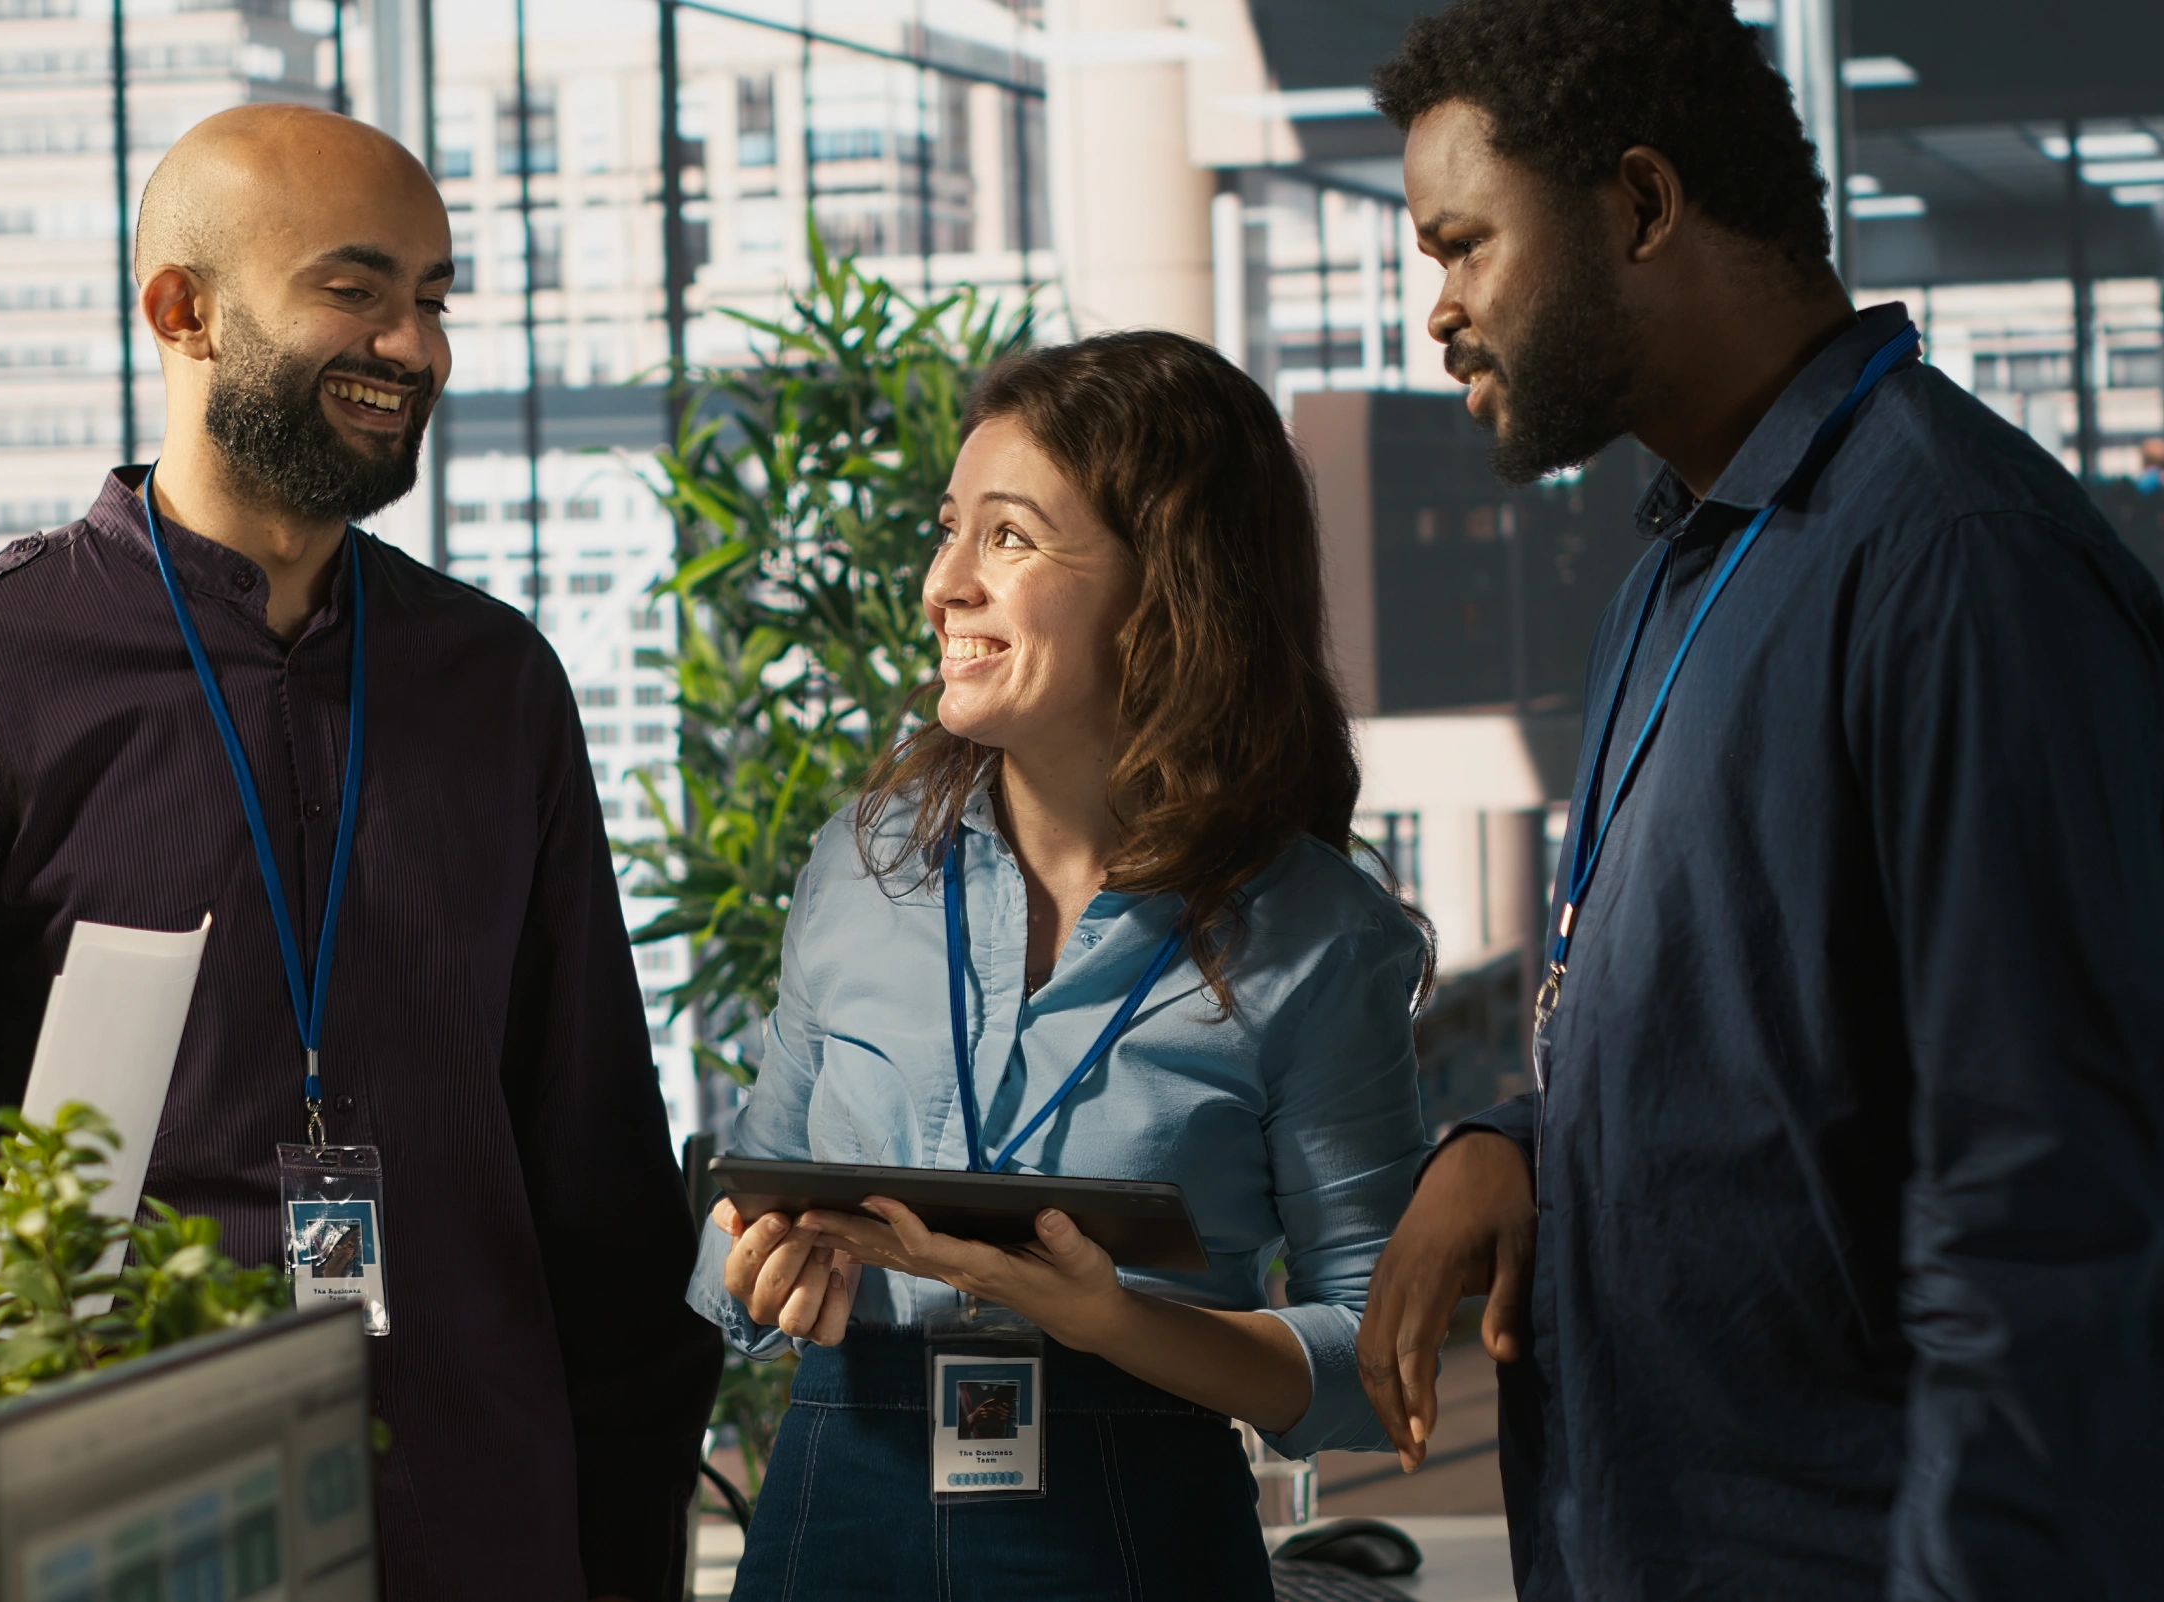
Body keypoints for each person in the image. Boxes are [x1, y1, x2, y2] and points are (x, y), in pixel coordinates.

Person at [0, 106, 718, 1602]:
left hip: (480, 1516)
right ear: (183, 310)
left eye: (433, 299)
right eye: (355, 290)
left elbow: (595, 1168)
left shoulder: (495, 680)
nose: (413, 345)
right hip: (125, 1532)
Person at [1357, 3, 2164, 1598]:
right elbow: (1771, 1067)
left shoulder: (1957, 565)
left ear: (1643, 206)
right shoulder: (1687, 559)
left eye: (1463, 247)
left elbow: (2047, 1228)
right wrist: (1522, 1143)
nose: (1436, 315)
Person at [690, 331, 1432, 1601]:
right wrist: (756, 1268)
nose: (942, 584)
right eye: (950, 528)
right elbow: (731, 1232)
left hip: (1135, 1535)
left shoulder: (1321, 934)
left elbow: (1376, 1354)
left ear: (1169, 588)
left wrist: (1114, 1322)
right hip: (836, 1506)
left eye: (1011, 538)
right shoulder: (861, 867)